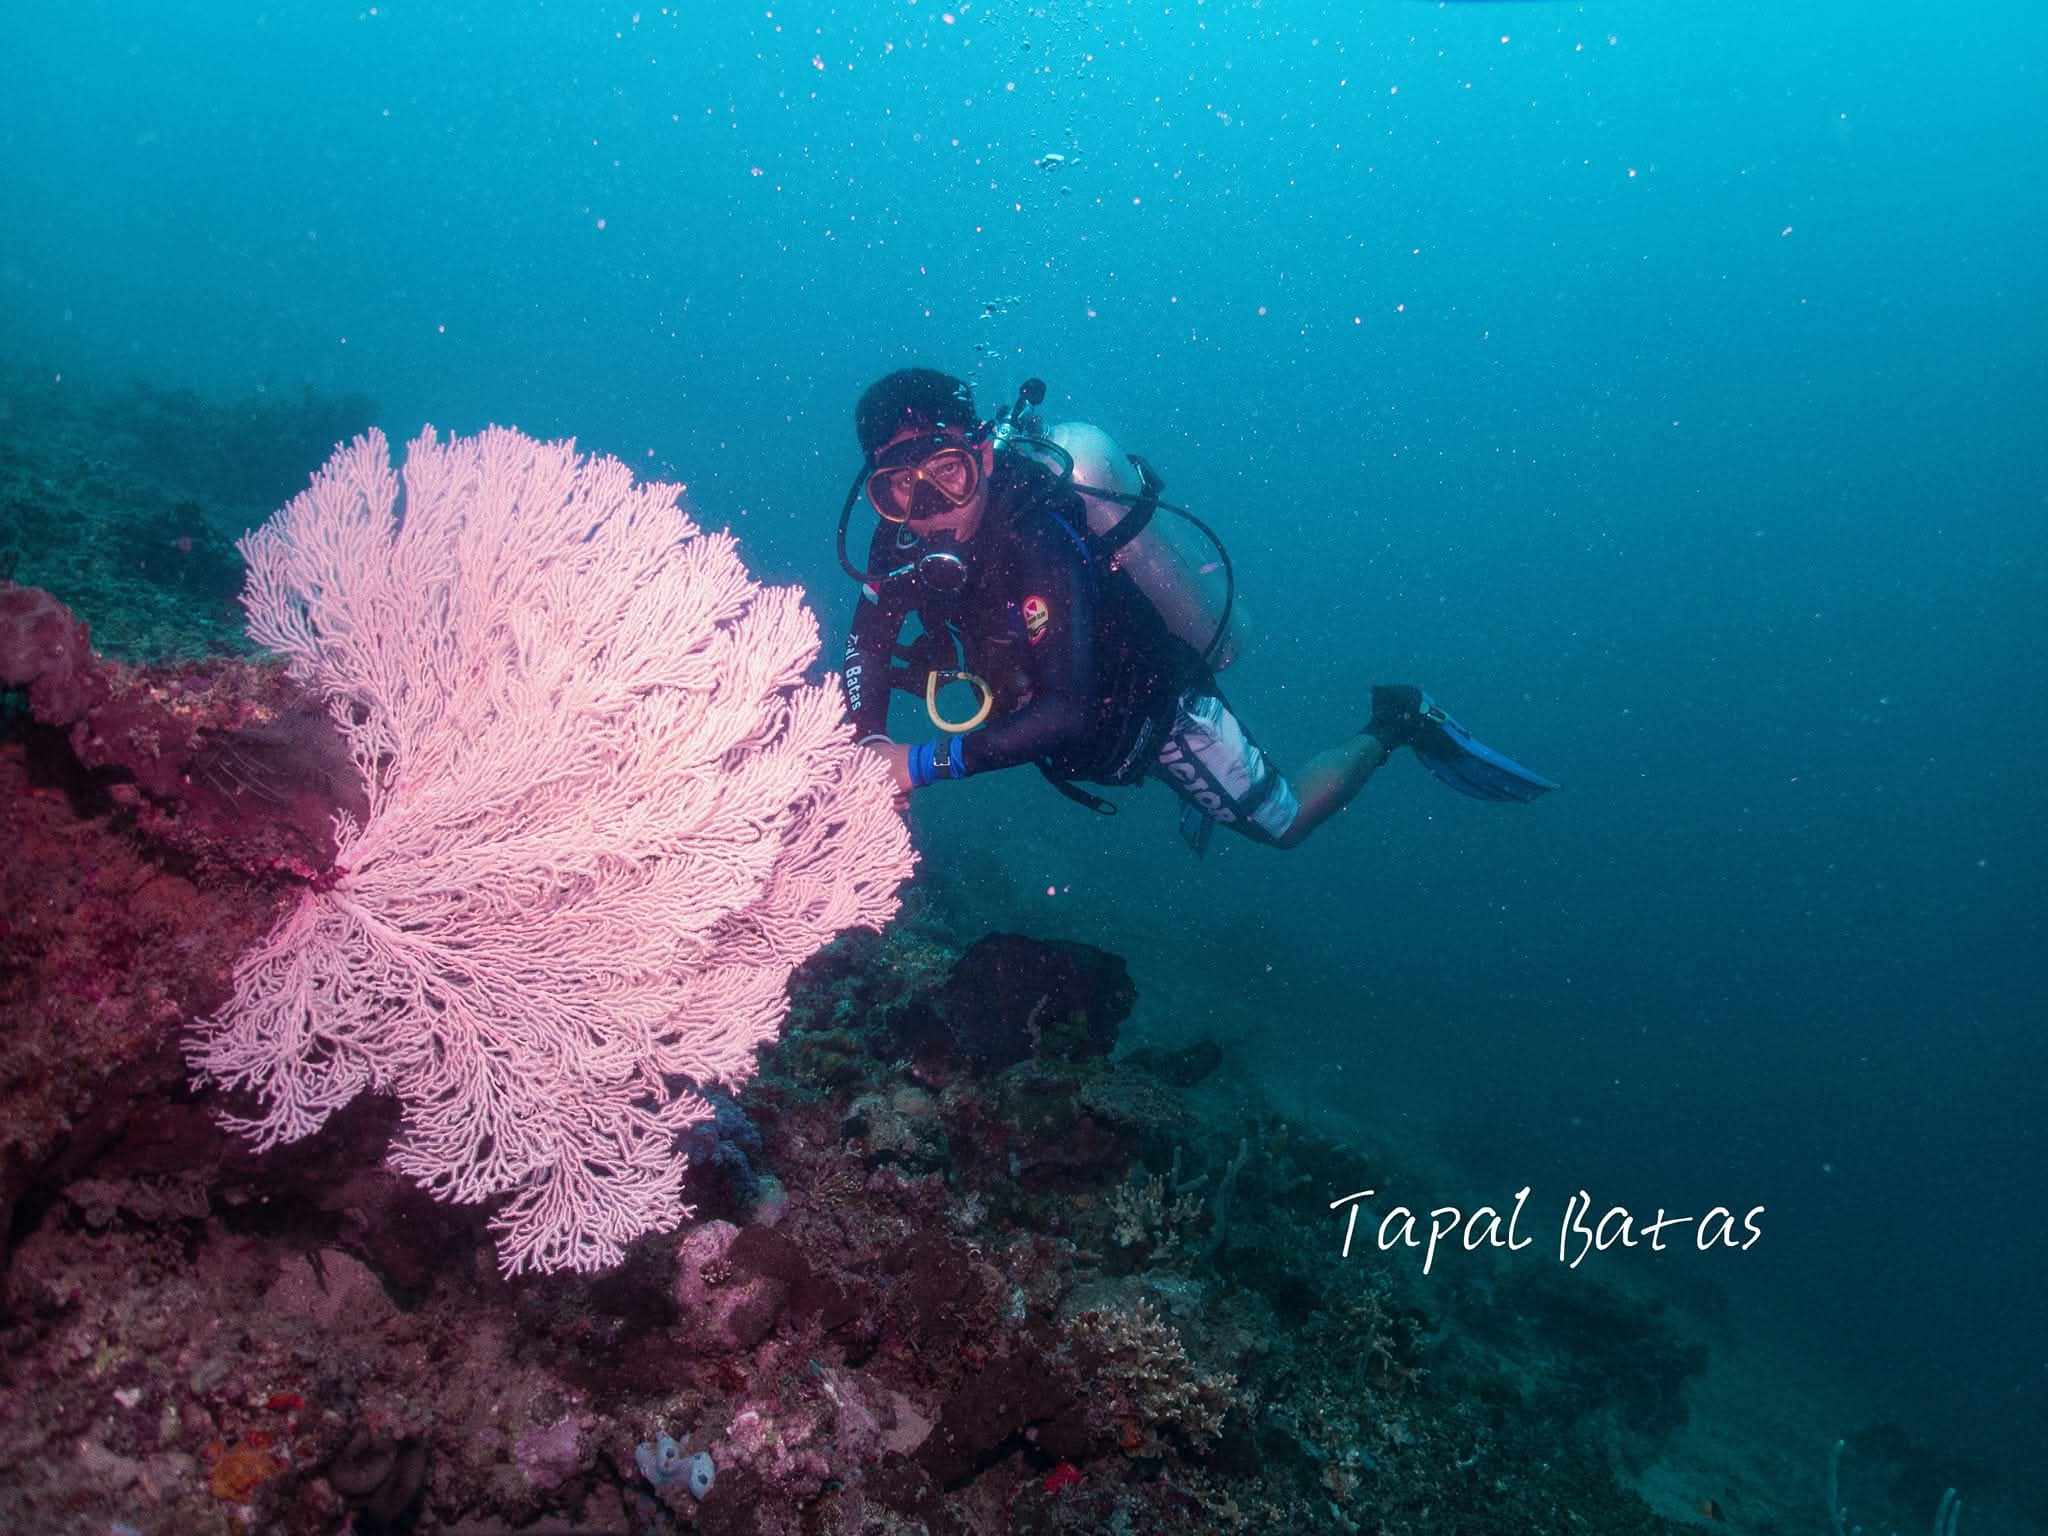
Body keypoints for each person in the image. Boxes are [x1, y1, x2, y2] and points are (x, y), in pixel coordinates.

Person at [835, 368, 1555, 852]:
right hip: (1067, 711)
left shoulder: (1036, 537)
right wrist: (871, 739)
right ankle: (1196, 791)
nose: (927, 507)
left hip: (1154, 708)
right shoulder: (896, 538)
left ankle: (1398, 721)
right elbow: (868, 640)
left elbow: (1066, 712)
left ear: (985, 458)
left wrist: (918, 765)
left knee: (1282, 823)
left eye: (948, 473)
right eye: (899, 487)